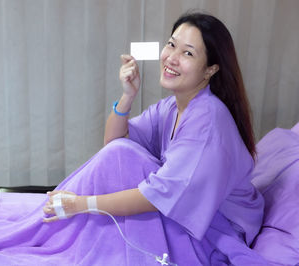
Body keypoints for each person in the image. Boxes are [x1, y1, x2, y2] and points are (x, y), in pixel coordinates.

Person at [42, 12, 266, 265]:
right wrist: (128, 95)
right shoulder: (171, 107)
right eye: (171, 45)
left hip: (216, 230)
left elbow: (157, 196)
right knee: (120, 153)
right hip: (185, 211)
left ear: (210, 69)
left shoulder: (207, 119)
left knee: (90, 217)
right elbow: (114, 142)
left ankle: (54, 221)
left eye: (188, 53)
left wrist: (81, 204)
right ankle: (53, 218)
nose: (171, 58)